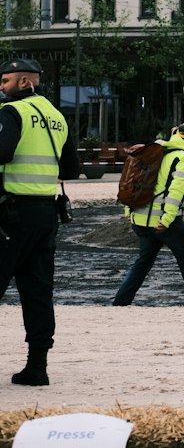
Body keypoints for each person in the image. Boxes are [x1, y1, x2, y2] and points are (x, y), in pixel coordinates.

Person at [0, 54, 81, 387]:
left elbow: (2, 152)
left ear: (24, 82)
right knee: (37, 292)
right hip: (46, 215)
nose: (1, 87)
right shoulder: (56, 116)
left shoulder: (11, 112)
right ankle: (37, 366)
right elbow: (72, 168)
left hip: (10, 214)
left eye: (5, 81)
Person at [112, 121, 184, 308]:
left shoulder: (156, 151)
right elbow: (176, 193)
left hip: (139, 219)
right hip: (163, 222)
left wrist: (129, 211)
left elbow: (134, 182)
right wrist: (167, 219)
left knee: (143, 262)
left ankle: (121, 299)